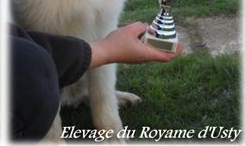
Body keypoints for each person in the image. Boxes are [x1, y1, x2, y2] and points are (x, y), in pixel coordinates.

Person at [10, 22, 183, 140]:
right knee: (30, 60)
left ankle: (100, 107)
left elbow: (107, 39)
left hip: (59, 64)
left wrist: (109, 124)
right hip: (31, 85)